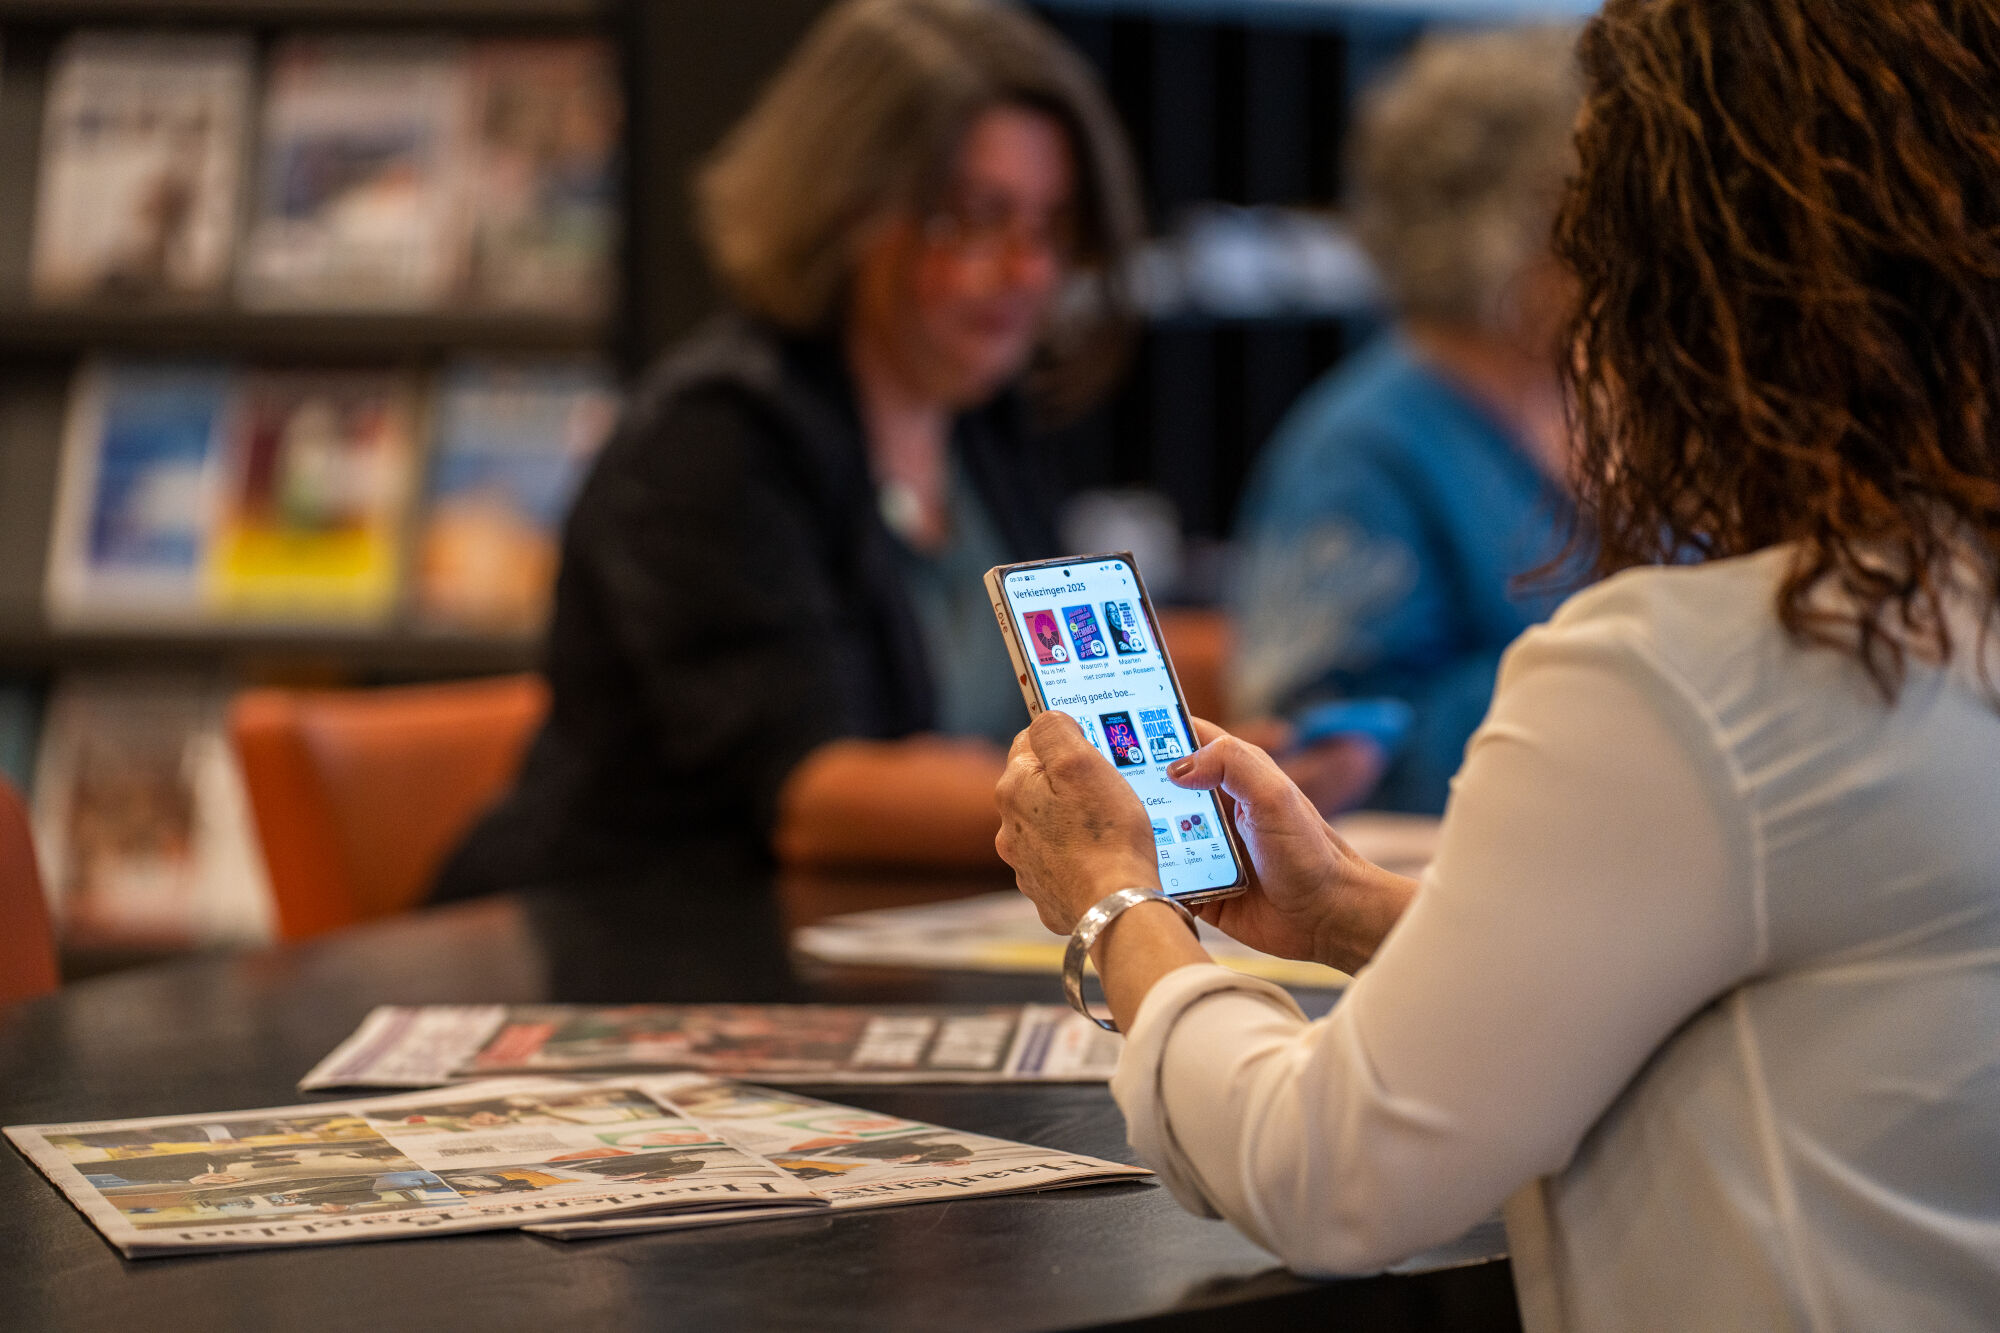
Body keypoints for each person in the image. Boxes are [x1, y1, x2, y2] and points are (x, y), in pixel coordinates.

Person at [995, 2, 2000, 1327]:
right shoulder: (1938, 604)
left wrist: (1119, 910)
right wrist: (1353, 908)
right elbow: (1744, 970)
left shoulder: (1679, 675)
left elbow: (1326, 1174)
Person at [433, 0, 1141, 898]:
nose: (1027, 271)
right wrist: (1136, 807)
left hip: (862, 948)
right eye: (973, 220)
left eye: (1047, 228)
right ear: (844, 207)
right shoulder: (714, 438)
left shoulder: (982, 422)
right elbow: (815, 795)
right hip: (637, 947)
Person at [1229, 27, 1582, 815]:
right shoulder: (1363, 452)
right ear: (1513, 225)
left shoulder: (1618, 402)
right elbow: (1322, 744)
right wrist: (1608, 681)